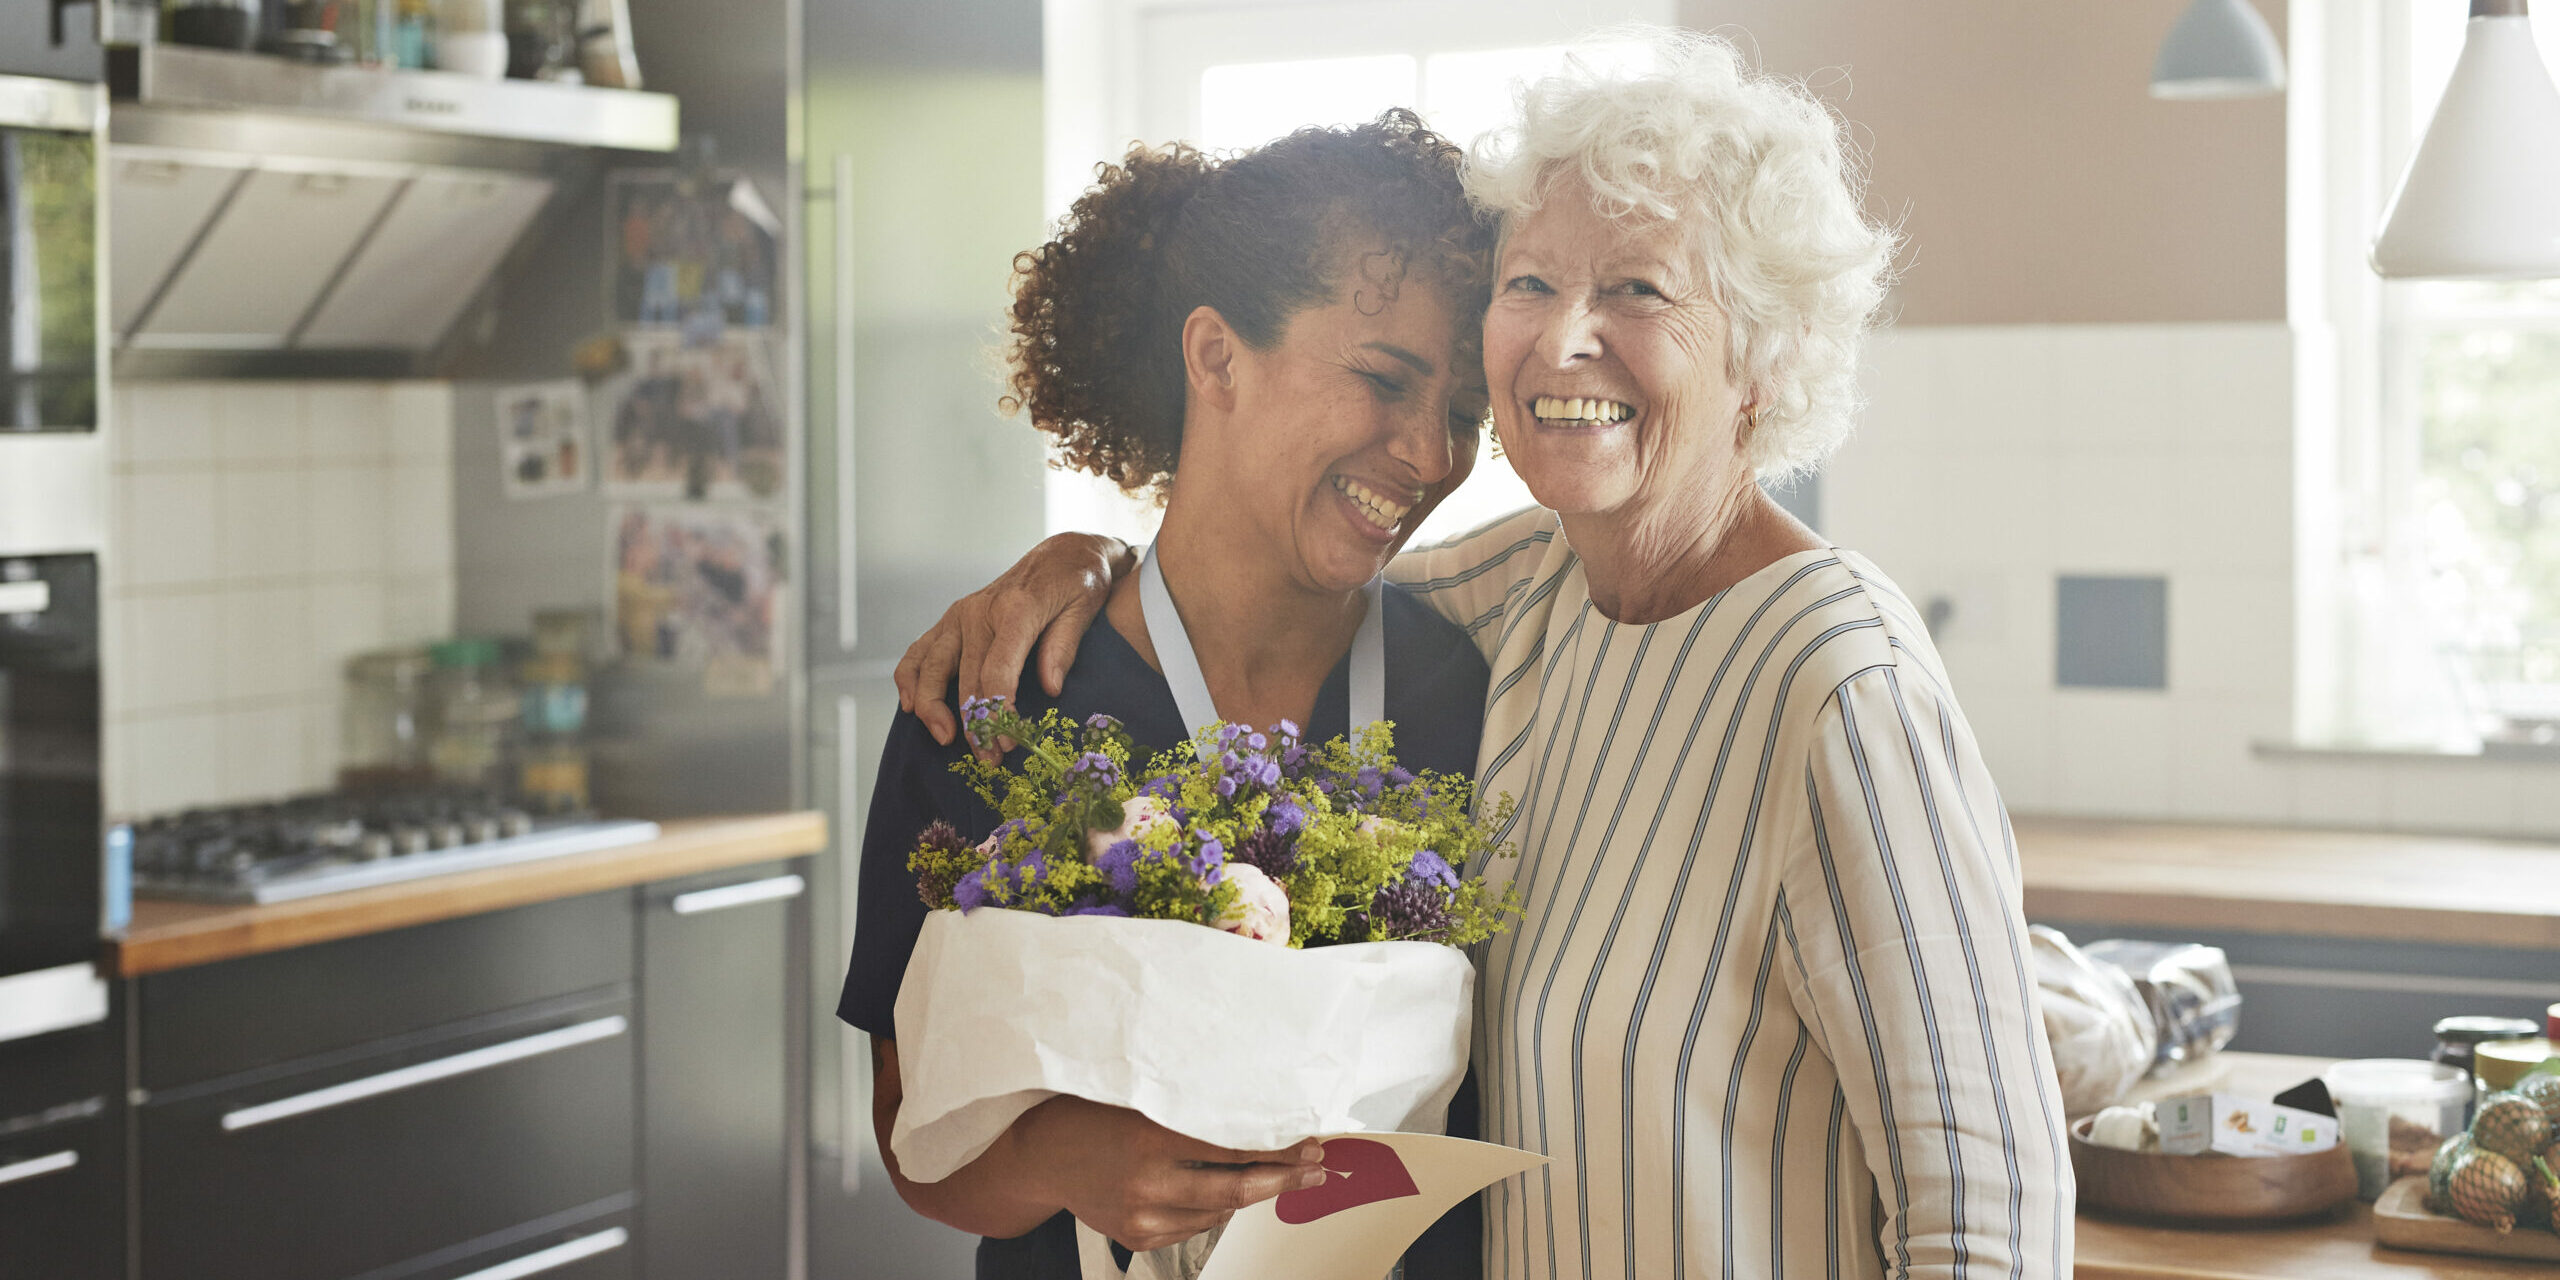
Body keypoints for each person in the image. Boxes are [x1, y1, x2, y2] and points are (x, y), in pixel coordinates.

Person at [894, 30, 2073, 1280]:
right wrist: (1076, 563)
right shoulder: (1517, 595)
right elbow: (1250, 580)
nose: (1562, 338)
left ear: (1762, 363)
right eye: (1529, 283)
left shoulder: (1842, 685)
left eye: (1639, 289)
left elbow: (1989, 1216)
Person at [839, 110, 1500, 1279]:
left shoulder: (1483, 696)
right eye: (1383, 380)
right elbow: (913, 1135)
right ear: (1215, 357)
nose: (1430, 455)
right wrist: (1061, 1156)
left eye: (1458, 413)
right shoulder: (996, 696)